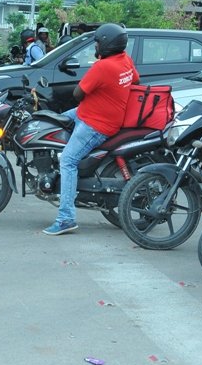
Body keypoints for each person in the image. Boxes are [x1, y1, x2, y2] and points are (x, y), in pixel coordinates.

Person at [44, 23, 139, 235]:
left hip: (97, 123)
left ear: (105, 44)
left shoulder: (102, 67)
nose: (95, 46)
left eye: (97, 42)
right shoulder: (125, 59)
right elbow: (136, 80)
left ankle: (66, 218)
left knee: (68, 161)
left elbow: (78, 93)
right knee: (54, 120)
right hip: (87, 113)